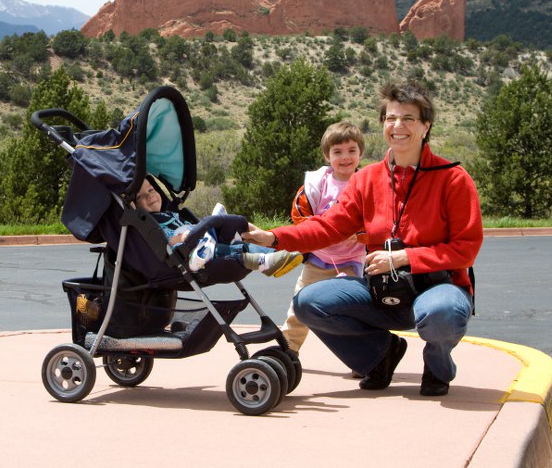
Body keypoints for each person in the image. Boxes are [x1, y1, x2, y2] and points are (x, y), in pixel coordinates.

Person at [243, 81, 482, 396]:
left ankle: (437, 366)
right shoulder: (367, 179)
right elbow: (328, 226)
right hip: (383, 290)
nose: (398, 126)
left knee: (440, 315)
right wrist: (272, 237)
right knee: (309, 302)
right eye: (390, 118)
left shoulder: (453, 179)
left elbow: (465, 250)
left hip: (437, 288)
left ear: (426, 126)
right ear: (383, 124)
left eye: (408, 118)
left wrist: (404, 257)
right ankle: (380, 355)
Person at [281, 122, 368, 355]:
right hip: (318, 261)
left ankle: (362, 357)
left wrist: (359, 234)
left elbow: (377, 220)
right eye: (337, 151)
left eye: (351, 150)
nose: (345, 157)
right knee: (298, 307)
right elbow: (300, 216)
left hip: (351, 262)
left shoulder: (367, 185)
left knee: (353, 311)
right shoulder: (318, 184)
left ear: (361, 153)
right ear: (326, 156)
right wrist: (317, 234)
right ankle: (287, 351)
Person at [134, 178, 303, 278]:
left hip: (202, 241)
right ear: (134, 207)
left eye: (151, 189)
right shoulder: (152, 226)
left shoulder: (172, 215)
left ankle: (273, 254)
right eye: (141, 196)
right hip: (189, 255)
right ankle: (263, 262)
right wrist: (186, 236)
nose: (150, 195)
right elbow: (169, 242)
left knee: (235, 231)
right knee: (220, 248)